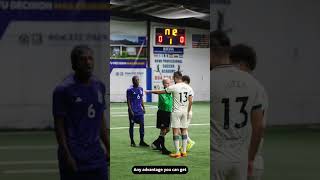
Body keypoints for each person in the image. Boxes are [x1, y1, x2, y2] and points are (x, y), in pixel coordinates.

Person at [210, 30, 264, 180]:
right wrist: (250, 158)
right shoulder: (252, 82)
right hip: (240, 159)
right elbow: (258, 127)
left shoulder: (209, 80)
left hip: (215, 158)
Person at [52, 45, 109, 180]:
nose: (88, 62)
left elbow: (100, 120)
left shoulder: (99, 86)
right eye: (83, 59)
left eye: (90, 58)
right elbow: (59, 127)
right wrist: (67, 155)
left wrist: (108, 147)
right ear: (74, 64)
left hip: (96, 155)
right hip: (74, 156)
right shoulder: (63, 90)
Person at [230, 44, 268, 180]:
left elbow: (259, 127)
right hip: (250, 158)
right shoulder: (257, 87)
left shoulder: (224, 85)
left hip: (231, 158)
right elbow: (259, 127)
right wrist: (251, 159)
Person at [146, 71, 193, 158]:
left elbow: (161, 92)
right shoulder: (189, 87)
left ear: (175, 78)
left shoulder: (174, 87)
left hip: (176, 112)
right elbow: (191, 101)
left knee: (175, 132)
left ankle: (177, 152)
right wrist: (188, 111)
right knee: (184, 131)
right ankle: (184, 152)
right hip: (184, 112)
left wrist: (149, 91)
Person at [150, 78, 172, 155]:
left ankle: (156, 143)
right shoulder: (161, 92)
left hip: (168, 113)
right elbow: (166, 103)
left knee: (168, 129)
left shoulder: (171, 91)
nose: (168, 84)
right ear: (163, 84)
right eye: (166, 83)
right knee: (163, 130)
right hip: (163, 113)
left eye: (169, 83)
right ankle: (163, 149)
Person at [126, 76, 149, 147]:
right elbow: (128, 101)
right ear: (133, 81)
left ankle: (141, 141)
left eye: (138, 80)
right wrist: (130, 110)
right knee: (131, 125)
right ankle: (132, 141)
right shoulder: (129, 90)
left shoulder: (141, 88)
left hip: (140, 111)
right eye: (136, 80)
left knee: (142, 125)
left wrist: (144, 107)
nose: (138, 81)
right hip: (133, 111)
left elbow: (141, 99)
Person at [182, 75, 195, 151]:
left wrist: (188, 111)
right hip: (184, 112)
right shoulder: (186, 89)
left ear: (185, 81)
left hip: (187, 112)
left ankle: (189, 142)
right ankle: (185, 144)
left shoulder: (189, 89)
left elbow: (190, 101)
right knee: (183, 129)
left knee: (182, 130)